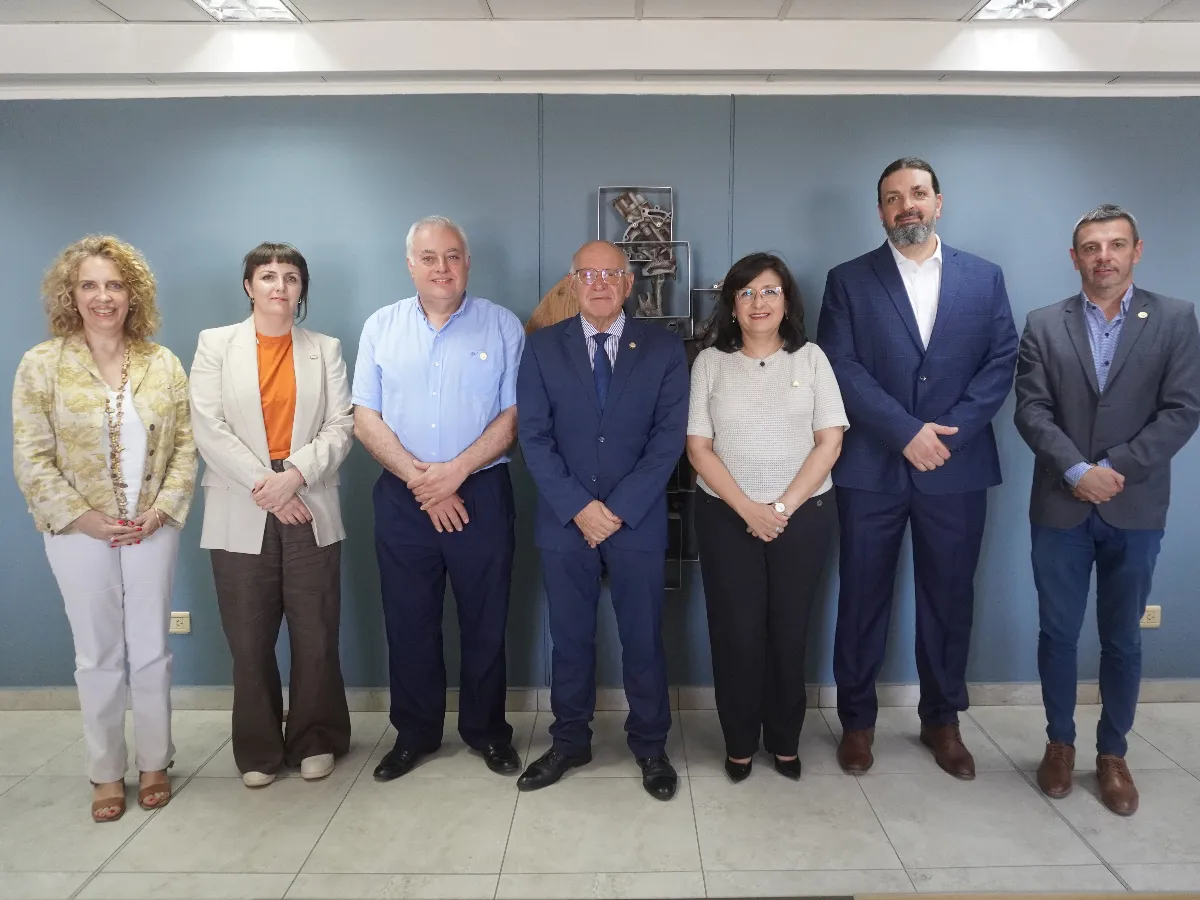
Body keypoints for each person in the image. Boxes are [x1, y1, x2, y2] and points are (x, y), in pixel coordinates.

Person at [816, 157, 1018, 779]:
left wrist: (943, 439)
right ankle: (856, 722)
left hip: (955, 469)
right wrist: (905, 432)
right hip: (872, 467)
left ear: (939, 202)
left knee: (949, 600)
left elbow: (1000, 362)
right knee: (862, 598)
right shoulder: (848, 280)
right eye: (893, 197)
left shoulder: (983, 279)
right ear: (880, 210)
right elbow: (840, 366)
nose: (907, 205)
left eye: (918, 194)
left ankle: (942, 721)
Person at [1014, 204, 1200, 816]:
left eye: (1115, 245)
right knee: (1058, 633)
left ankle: (1113, 753)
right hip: (1060, 506)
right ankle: (1060, 744)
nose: (1103, 257)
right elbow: (1031, 410)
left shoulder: (1174, 319)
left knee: (1122, 639)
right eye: (1091, 247)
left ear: (1136, 251)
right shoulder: (1044, 324)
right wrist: (1076, 470)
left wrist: (1113, 469)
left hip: (1135, 503)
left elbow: (1182, 410)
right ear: (1075, 258)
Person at [13, 235, 196, 822]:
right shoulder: (42, 364)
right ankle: (105, 770)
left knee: (150, 650)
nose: (102, 296)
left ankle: (154, 761)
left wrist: (161, 510)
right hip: (75, 532)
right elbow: (31, 455)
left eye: (114, 284)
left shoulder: (161, 362)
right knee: (96, 654)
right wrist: (82, 517)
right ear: (71, 293)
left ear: (132, 294)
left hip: (152, 525)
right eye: (90, 284)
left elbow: (188, 448)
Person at [353, 216, 525, 781]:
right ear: (411, 265)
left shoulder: (502, 327)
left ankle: (487, 732)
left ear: (467, 262)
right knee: (409, 622)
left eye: (452, 256)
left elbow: (513, 416)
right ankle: (416, 734)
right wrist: (425, 483)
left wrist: (454, 473)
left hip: (481, 490)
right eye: (429, 258)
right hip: (405, 497)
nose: (441, 268)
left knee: (485, 621)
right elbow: (365, 418)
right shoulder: (381, 326)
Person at [516, 240, 689, 800]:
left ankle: (651, 746)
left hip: (635, 521)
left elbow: (667, 443)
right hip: (566, 522)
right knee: (569, 640)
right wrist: (580, 509)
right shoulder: (541, 349)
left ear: (628, 283)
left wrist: (615, 511)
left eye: (611, 273)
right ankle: (569, 741)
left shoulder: (663, 349)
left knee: (643, 639)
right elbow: (535, 439)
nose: (599, 282)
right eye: (588, 273)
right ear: (572, 282)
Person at [190, 242, 354, 788]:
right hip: (242, 509)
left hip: (310, 503)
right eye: (267, 276)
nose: (279, 286)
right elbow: (208, 427)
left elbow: (341, 427)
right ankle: (258, 750)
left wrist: (294, 477)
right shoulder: (216, 345)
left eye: (290, 276)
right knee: (249, 637)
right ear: (248, 286)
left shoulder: (324, 349)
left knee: (315, 633)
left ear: (302, 288)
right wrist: (269, 487)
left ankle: (316, 739)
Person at [686, 253, 847, 783]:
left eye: (770, 291)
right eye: (747, 293)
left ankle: (783, 739)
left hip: (802, 517)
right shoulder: (709, 362)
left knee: (789, 631)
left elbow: (830, 441)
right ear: (732, 304)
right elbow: (698, 447)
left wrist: (779, 509)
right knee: (736, 632)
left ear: (787, 301)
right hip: (725, 516)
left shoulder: (812, 359)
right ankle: (738, 741)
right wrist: (749, 509)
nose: (759, 302)